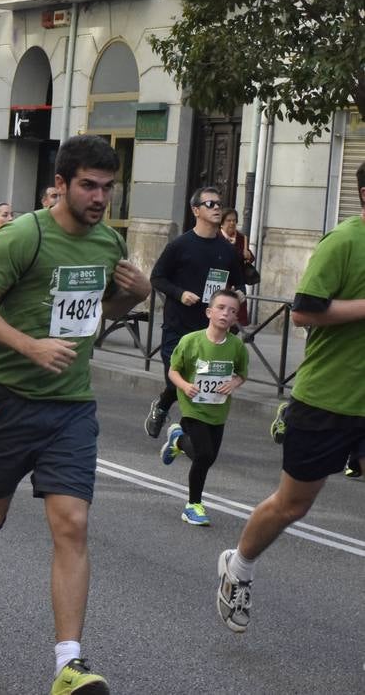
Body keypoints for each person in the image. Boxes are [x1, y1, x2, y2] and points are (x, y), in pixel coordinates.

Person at [0, 135, 149, 695]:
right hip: (10, 398)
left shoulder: (106, 245)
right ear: (63, 183)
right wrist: (30, 347)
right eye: (89, 186)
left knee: (72, 525)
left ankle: (67, 665)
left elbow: (91, 319)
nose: (100, 197)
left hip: (71, 406)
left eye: (108, 187)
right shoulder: (25, 235)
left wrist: (135, 296)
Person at [215, 162, 365, 635]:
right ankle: (238, 566)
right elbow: (303, 312)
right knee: (293, 504)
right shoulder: (343, 243)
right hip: (328, 398)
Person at [143, 188, 246, 438]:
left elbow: (240, 283)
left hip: (209, 330)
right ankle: (163, 405)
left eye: (219, 204)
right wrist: (180, 293)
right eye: (209, 203)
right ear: (195, 210)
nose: (216, 208)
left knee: (199, 385)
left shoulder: (226, 249)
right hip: (178, 325)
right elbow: (157, 277)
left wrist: (240, 296)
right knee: (174, 379)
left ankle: (188, 436)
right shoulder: (180, 245)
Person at [160, 289, 249, 526]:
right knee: (204, 454)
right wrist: (184, 386)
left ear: (235, 318)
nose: (225, 314)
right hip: (193, 407)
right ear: (209, 312)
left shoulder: (237, 347)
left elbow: (241, 374)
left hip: (218, 410)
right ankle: (193, 505)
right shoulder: (191, 341)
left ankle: (177, 440)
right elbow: (173, 370)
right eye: (220, 308)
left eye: (232, 311)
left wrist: (233, 383)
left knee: (209, 458)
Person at [219, 208, 255, 329]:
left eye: (234, 220)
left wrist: (248, 256)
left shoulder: (241, 238)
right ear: (222, 223)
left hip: (238, 281)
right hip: (222, 280)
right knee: (221, 312)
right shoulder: (216, 237)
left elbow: (250, 257)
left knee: (237, 316)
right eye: (229, 220)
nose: (232, 223)